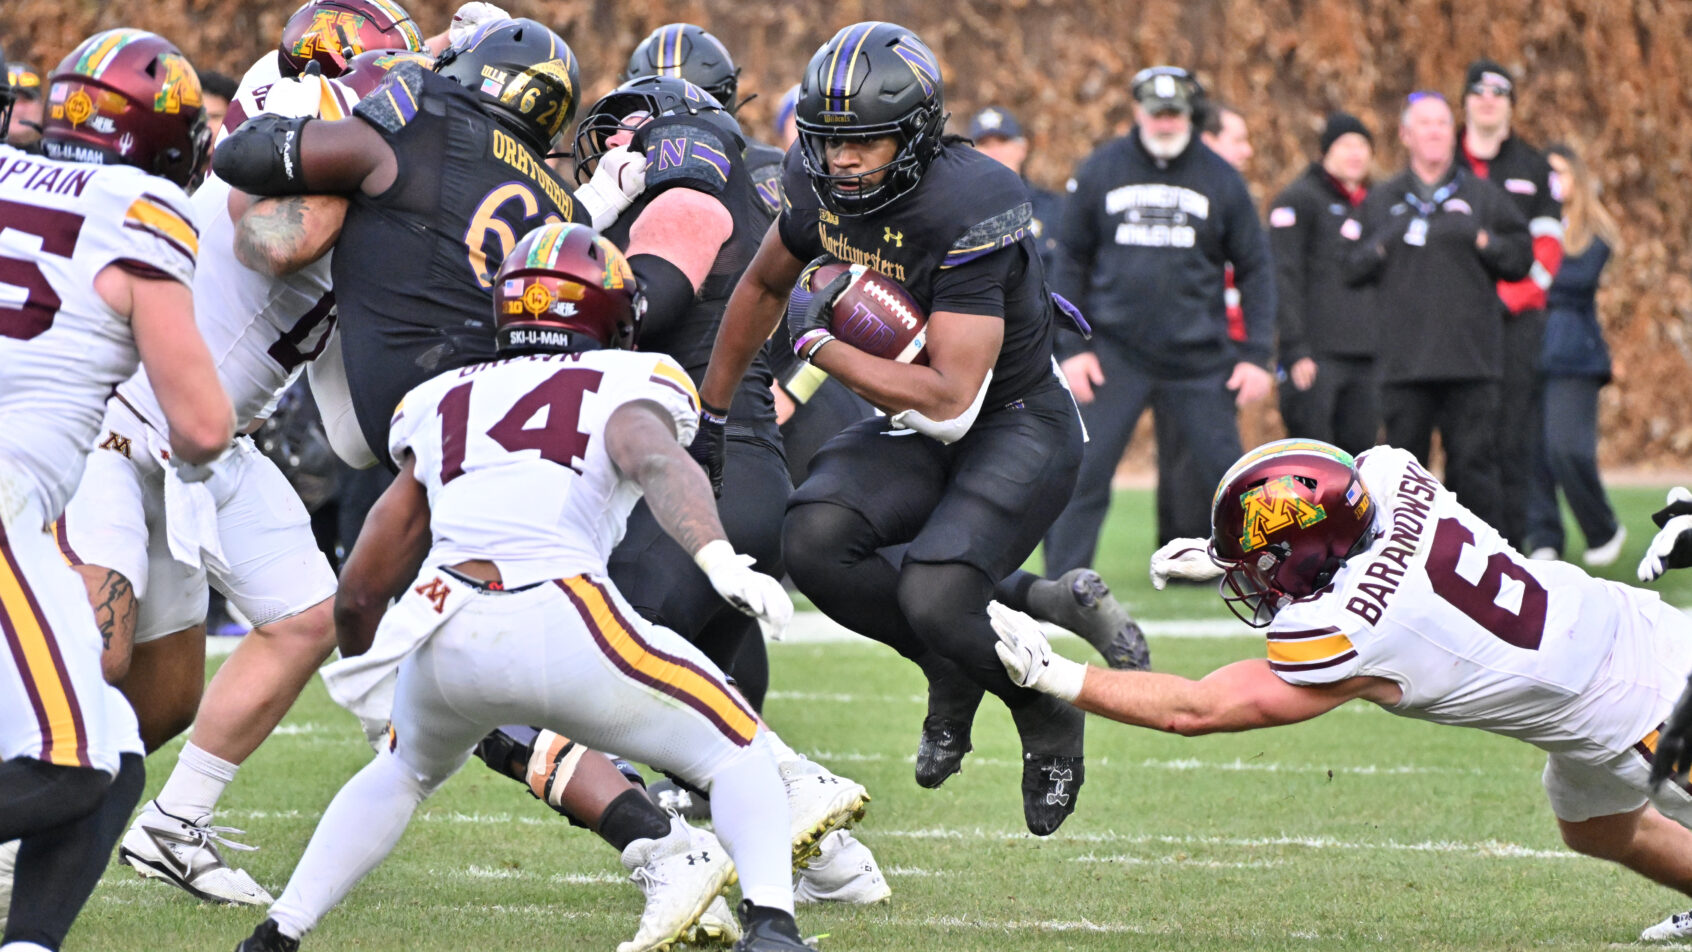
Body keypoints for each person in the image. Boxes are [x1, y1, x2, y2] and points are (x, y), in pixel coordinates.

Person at [234, 222, 814, 952]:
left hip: (444, 625)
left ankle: (278, 933)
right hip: (561, 610)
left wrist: (376, 683)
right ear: (612, 312)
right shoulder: (630, 377)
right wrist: (717, 557)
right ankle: (773, 929)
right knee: (739, 749)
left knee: (402, 769)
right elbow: (656, 459)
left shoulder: (441, 395)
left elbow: (361, 589)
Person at [993, 437, 1692, 945]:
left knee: (1632, 808)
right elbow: (1331, 513)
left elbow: (1195, 710)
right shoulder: (1391, 474)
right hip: (1623, 628)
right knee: (1595, 827)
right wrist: (1226, 551)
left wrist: (1055, 674)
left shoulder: (1353, 629)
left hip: (1639, 709)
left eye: (1260, 564)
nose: (1254, 579)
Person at [699, 20, 1091, 835]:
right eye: (829, 140)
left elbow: (951, 398)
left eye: (865, 142)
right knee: (812, 538)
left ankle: (1044, 709)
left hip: (1014, 418)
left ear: (915, 134)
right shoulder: (812, 181)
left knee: (937, 592)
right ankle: (949, 669)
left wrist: (819, 346)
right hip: (914, 420)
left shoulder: (972, 200)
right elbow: (763, 285)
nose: (842, 159)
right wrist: (712, 410)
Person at [54, 52, 410, 909]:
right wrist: (376, 186)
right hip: (120, 420)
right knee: (95, 654)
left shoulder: (369, 219)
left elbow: (349, 433)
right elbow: (269, 243)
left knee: (270, 638)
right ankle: (19, 817)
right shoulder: (289, 157)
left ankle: (174, 824)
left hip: (207, 452)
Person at [0, 28, 234, 951]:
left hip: (28, 509)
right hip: (8, 491)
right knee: (71, 764)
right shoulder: (141, 209)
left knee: (117, 744)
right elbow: (203, 425)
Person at [1044, 66, 1275, 571]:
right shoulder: (1102, 169)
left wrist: (1256, 355)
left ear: (1189, 115)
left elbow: (1256, 268)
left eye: (1174, 113)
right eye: (1157, 113)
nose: (1165, 123)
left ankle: (1273, 584)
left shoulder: (1221, 178)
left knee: (1232, 482)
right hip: (1114, 353)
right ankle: (1060, 590)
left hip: (1199, 358)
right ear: (1138, 112)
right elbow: (1070, 260)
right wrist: (1073, 348)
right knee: (1082, 473)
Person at [1343, 92, 1531, 527]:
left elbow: (1520, 258)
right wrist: (1382, 244)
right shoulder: (1382, 200)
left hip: (1471, 364)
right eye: (1424, 123)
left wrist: (1483, 240)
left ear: (1454, 133)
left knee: (1475, 471)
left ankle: (1482, 559)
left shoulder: (1482, 196)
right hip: (1404, 366)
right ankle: (1400, 560)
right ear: (1406, 134)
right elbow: (1348, 267)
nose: (1434, 132)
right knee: (1402, 479)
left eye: (1442, 123)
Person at [1456, 59, 1566, 551]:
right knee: (1462, 441)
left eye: (1498, 92)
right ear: (1464, 102)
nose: (1488, 100)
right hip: (1453, 329)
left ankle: (1512, 550)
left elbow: (1549, 250)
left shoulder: (1534, 168)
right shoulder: (1442, 163)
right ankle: (1457, 552)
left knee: (1511, 439)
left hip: (1516, 324)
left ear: (1511, 105)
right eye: (1478, 91)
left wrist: (1505, 297)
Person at [1153, 100, 1257, 545]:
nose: (1247, 150)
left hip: (1224, 347)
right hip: (1187, 347)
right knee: (1183, 454)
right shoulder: (1182, 197)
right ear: (1209, 140)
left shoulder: (1231, 195)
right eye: (1238, 139)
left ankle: (1206, 544)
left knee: (1211, 454)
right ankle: (1184, 547)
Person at [1522, 143, 1626, 565]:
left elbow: (1572, 281)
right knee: (1532, 449)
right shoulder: (1527, 223)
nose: (1553, 182)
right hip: (1526, 350)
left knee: (1567, 448)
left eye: (1561, 172)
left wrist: (1531, 278)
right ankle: (1544, 536)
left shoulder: (1594, 233)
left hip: (1574, 355)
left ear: (1576, 179)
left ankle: (1603, 528)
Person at [1270, 112, 1378, 454]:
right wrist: (1295, 349)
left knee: (1360, 461)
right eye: (1346, 145)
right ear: (1325, 152)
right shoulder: (1298, 200)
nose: (1355, 153)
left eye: (1362, 145)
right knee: (1314, 458)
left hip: (1368, 356)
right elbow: (1283, 276)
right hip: (1315, 357)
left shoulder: (1379, 202)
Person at [967, 106, 1066, 273]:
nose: (995, 152)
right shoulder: (958, 214)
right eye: (985, 144)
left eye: (1002, 142)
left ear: (1022, 148)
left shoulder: (1054, 209)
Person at [1, 56, 42, 151]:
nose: (19, 109)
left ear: (41, 106)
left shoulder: (57, 156)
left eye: (26, 99)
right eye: (9, 101)